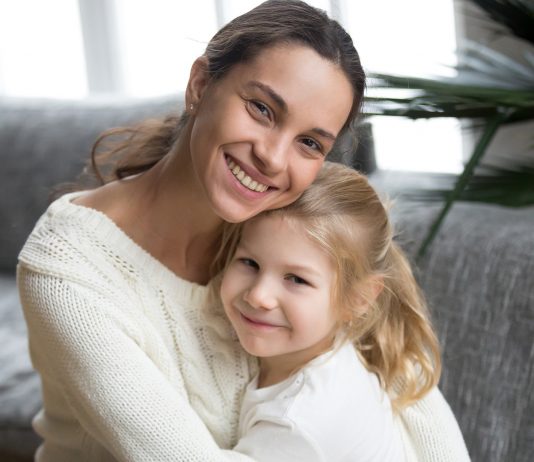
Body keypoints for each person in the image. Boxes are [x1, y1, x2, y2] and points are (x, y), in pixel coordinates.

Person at [17, 1, 365, 461]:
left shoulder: (298, 222)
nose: (275, 159)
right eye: (262, 109)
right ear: (200, 85)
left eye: (309, 143)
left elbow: (404, 383)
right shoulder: (66, 268)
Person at [217, 162, 471, 462]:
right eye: (250, 263)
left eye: (297, 279)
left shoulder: (301, 421)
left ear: (358, 299)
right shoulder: (323, 355)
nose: (259, 295)